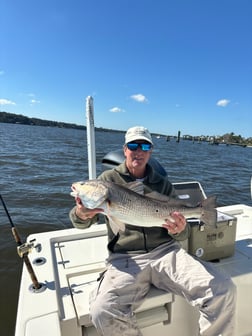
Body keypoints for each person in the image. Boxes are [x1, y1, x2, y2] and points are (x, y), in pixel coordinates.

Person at [69, 126, 236, 336]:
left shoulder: (162, 184)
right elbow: (80, 223)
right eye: (133, 145)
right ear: (125, 149)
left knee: (223, 288)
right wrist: (82, 213)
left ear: (151, 151)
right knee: (102, 310)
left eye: (145, 146)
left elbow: (183, 235)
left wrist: (179, 230)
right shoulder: (108, 180)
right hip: (126, 258)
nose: (138, 150)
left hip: (166, 253)